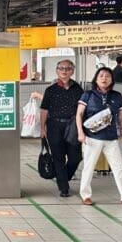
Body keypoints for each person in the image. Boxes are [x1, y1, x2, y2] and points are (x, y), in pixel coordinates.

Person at [76, 67, 122, 206]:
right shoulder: (88, 95)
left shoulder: (117, 96)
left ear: (112, 80)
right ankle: (86, 195)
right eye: (101, 76)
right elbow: (79, 114)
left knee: (118, 167)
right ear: (96, 79)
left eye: (108, 76)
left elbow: (121, 117)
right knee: (89, 167)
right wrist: (80, 132)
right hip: (92, 137)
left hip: (111, 138)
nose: (104, 78)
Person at [39, 60, 83, 198]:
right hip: (54, 126)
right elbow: (44, 110)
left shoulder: (78, 89)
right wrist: (42, 128)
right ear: (57, 71)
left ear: (72, 71)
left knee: (76, 157)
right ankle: (64, 188)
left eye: (68, 68)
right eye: (61, 68)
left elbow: (82, 109)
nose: (64, 71)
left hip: (73, 126)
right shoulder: (50, 90)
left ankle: (63, 177)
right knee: (58, 158)